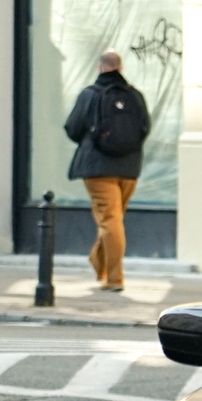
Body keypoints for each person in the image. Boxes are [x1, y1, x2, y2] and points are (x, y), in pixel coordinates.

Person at [62, 50, 151, 290]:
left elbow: (72, 128)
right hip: (129, 169)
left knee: (110, 221)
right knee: (114, 221)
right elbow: (145, 128)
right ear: (120, 69)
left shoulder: (90, 95)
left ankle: (114, 279)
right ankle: (98, 261)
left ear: (100, 68)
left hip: (98, 168)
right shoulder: (136, 96)